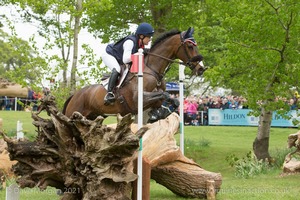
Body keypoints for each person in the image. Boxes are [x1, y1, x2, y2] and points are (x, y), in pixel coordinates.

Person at [101, 22, 154, 105]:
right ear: (141, 36)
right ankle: (109, 93)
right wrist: (140, 53)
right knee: (117, 69)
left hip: (119, 57)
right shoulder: (130, 41)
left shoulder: (140, 45)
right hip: (109, 54)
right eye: (149, 37)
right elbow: (126, 59)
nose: (150, 39)